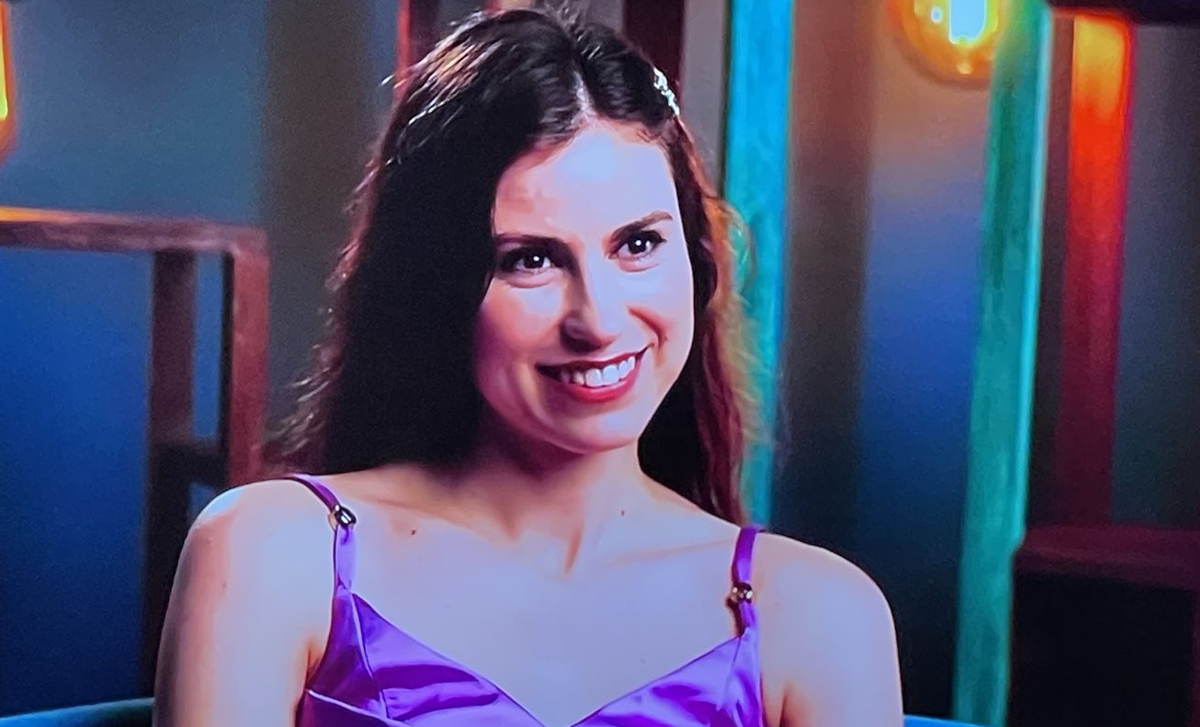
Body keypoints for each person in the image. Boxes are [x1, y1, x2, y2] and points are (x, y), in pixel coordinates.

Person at [153, 8, 902, 727]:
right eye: (530, 260)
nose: (598, 321)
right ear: (435, 283)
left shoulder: (819, 616)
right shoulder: (274, 555)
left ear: (696, 260)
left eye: (638, 244)